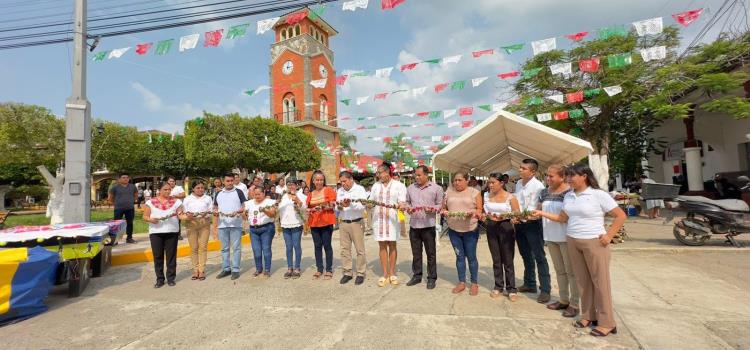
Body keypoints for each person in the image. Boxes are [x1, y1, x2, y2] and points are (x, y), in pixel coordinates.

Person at [533, 164, 626, 337]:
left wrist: (608, 236)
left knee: (600, 283)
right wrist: (541, 214)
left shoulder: (598, 195)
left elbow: (620, 216)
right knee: (583, 282)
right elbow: (562, 218)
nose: (568, 180)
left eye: (571, 177)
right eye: (567, 177)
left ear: (584, 176)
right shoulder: (569, 196)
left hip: (594, 242)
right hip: (572, 240)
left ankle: (607, 322)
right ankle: (588, 316)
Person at [538, 165, 578, 317]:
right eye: (547, 176)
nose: (548, 179)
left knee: (571, 272)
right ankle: (563, 299)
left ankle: (575, 303)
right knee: (560, 271)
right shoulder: (544, 192)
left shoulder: (569, 193)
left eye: (551, 176)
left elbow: (564, 217)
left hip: (566, 236)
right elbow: (539, 208)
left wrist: (541, 212)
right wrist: (531, 214)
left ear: (562, 177)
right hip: (550, 236)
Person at [515, 158, 551, 303]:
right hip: (519, 223)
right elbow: (516, 202)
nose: (520, 170)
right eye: (520, 167)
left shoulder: (538, 186)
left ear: (533, 172)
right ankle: (529, 283)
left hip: (533, 224)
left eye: (523, 168)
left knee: (539, 257)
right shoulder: (518, 183)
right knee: (525, 255)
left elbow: (537, 207)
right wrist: (515, 215)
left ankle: (545, 290)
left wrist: (523, 215)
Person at [403, 165, 443, 290]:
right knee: (416, 253)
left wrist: (432, 209)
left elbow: (440, 205)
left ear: (427, 175)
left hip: (428, 226)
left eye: (419, 175)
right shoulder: (410, 188)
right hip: (414, 225)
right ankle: (417, 275)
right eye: (416, 175)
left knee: (431, 253)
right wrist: (407, 208)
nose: (417, 177)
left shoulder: (436, 188)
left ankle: (431, 278)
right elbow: (407, 202)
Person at [368, 162, 407, 287]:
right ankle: (385, 273)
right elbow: (371, 201)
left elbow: (402, 201)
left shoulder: (398, 186)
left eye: (379, 173)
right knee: (382, 246)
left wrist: (401, 205)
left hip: (392, 219)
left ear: (387, 172)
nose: (378, 175)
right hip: (379, 219)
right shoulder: (375, 186)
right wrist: (368, 204)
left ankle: (392, 272)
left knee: (392, 245)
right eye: (377, 173)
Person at [442, 172, 482, 296]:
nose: (456, 183)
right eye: (455, 180)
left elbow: (480, 210)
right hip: (454, 230)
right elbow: (443, 208)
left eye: (459, 180)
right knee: (459, 257)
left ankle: (474, 283)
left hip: (470, 230)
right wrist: (444, 212)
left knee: (471, 257)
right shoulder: (448, 192)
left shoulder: (474, 192)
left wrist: (473, 212)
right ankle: (461, 282)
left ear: (467, 180)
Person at [483, 173, 520, 301]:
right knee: (496, 259)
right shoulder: (486, 195)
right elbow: (484, 212)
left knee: (508, 259)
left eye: (493, 182)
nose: (490, 185)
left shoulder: (510, 197)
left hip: (506, 227)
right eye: (489, 182)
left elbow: (517, 214)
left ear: (501, 183)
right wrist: (486, 217)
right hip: (491, 227)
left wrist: (511, 218)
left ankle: (511, 289)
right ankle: (498, 286)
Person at [143, 182, 183, 288]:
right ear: (159, 190)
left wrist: (189, 216)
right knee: (158, 256)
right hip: (156, 233)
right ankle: (160, 279)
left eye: (169, 189)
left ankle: (171, 278)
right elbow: (145, 216)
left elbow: (180, 215)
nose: (168, 191)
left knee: (171, 256)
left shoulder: (177, 202)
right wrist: (151, 220)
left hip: (172, 231)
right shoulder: (150, 202)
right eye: (165, 189)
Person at [336, 171, 368, 285]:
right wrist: (339, 206)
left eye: (344, 181)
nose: (343, 184)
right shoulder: (340, 191)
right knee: (344, 249)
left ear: (351, 179)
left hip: (356, 222)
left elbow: (362, 205)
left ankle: (360, 273)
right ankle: (347, 272)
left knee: (360, 250)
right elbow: (337, 205)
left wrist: (350, 204)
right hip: (343, 222)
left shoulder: (359, 189)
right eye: (341, 182)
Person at [213, 173, 247, 280]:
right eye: (228, 181)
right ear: (223, 181)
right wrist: (215, 212)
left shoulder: (238, 192)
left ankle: (235, 269)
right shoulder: (219, 194)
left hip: (235, 224)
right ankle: (226, 268)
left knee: (236, 248)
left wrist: (239, 211)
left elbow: (244, 206)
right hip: (222, 225)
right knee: (224, 248)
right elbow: (215, 207)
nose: (230, 183)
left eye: (231, 180)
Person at [306, 170, 337, 280]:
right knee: (317, 246)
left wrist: (323, 207)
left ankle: (328, 269)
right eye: (317, 180)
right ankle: (319, 269)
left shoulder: (328, 190)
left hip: (326, 222)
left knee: (327, 245)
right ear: (313, 181)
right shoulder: (311, 193)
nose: (319, 182)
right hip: (314, 224)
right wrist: (309, 210)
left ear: (324, 181)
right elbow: (308, 207)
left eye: (321, 180)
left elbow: (333, 205)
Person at [181, 180, 213, 281]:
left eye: (202, 188)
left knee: (203, 247)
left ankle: (202, 270)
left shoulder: (208, 198)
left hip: (204, 223)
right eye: (198, 188)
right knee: (193, 248)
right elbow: (184, 212)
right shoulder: (187, 199)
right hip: (191, 224)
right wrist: (188, 216)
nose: (200, 190)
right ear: (193, 189)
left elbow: (211, 210)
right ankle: (195, 270)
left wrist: (206, 214)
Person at [244, 187, 277, 278]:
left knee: (266, 249)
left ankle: (267, 270)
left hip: (266, 228)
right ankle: (258, 269)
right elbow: (244, 217)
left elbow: (273, 214)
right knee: (256, 251)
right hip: (253, 229)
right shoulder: (249, 203)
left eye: (259, 194)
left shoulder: (270, 202)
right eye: (255, 194)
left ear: (264, 193)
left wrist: (265, 210)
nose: (257, 196)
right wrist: (244, 213)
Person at [278, 179, 306, 279]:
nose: (291, 187)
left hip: (296, 224)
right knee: (288, 247)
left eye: (293, 184)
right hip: (285, 224)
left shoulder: (301, 195)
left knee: (296, 245)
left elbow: (305, 208)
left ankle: (297, 267)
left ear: (297, 185)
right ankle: (290, 268)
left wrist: (298, 200)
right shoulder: (283, 196)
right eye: (288, 185)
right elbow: (278, 208)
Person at [108, 173, 138, 244]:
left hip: (130, 208)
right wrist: (116, 203)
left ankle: (129, 238)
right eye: (123, 177)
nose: (126, 179)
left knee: (130, 223)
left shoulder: (132, 186)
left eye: (127, 177)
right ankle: (115, 240)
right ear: (119, 179)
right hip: (118, 209)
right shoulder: (115, 187)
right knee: (116, 225)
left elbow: (136, 195)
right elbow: (110, 198)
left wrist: (131, 201)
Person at [167, 176, 186, 240]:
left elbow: (183, 195)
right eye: (170, 181)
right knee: (169, 220)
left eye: (173, 181)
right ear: (168, 182)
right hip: (168, 207)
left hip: (178, 207)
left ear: (175, 182)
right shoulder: (166, 188)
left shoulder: (179, 188)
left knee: (178, 221)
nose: (171, 182)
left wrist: (175, 196)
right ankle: (170, 234)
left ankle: (178, 235)